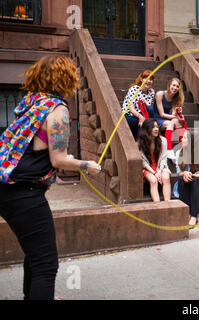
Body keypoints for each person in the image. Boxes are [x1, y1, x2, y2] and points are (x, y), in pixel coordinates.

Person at [0, 55, 101, 300]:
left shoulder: (32, 102)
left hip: (6, 186)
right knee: (46, 265)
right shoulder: (58, 109)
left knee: (34, 254)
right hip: (24, 192)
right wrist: (87, 164)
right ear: (65, 78)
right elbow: (59, 159)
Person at [173, 131, 199, 226]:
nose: (182, 139)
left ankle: (194, 216)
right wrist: (185, 173)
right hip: (185, 183)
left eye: (185, 138)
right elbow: (179, 172)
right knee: (182, 178)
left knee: (195, 181)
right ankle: (186, 214)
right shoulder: (179, 152)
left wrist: (191, 174)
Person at [138, 118, 171, 202]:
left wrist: (159, 170)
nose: (156, 129)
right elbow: (144, 163)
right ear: (147, 129)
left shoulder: (163, 140)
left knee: (166, 178)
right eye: (153, 127)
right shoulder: (141, 143)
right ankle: (158, 205)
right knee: (153, 181)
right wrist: (154, 173)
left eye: (157, 127)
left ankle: (168, 204)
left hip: (160, 166)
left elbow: (164, 158)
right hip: (147, 168)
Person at [154, 78, 187, 160]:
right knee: (171, 122)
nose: (175, 88)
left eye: (177, 86)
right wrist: (176, 117)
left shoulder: (176, 98)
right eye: (173, 85)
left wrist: (178, 113)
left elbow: (172, 114)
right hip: (157, 118)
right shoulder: (160, 94)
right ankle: (168, 149)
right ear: (169, 85)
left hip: (168, 118)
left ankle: (184, 147)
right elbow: (161, 114)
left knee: (175, 121)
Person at [121, 70, 156, 139]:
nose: (149, 81)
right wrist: (141, 117)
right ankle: (141, 144)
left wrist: (146, 103)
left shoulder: (151, 92)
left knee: (149, 111)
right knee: (144, 123)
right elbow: (131, 109)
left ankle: (144, 142)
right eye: (146, 78)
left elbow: (149, 110)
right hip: (129, 115)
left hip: (142, 116)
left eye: (151, 79)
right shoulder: (134, 89)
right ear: (142, 79)